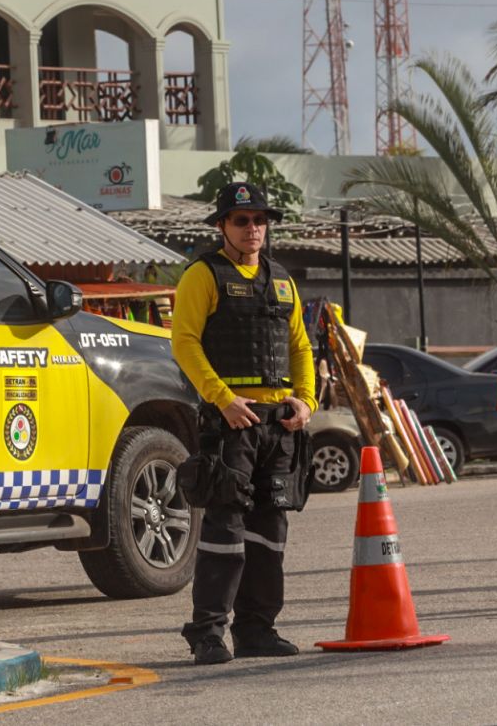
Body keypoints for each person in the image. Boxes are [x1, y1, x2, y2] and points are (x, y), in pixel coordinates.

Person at [172, 181, 316, 665]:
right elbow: (184, 342)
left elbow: (299, 346)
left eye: (259, 220)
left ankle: (257, 630)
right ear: (222, 226)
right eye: (241, 220)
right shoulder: (203, 275)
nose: (252, 228)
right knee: (225, 531)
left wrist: (306, 401)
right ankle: (208, 633)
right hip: (231, 423)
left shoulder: (282, 280)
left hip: (279, 426)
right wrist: (223, 399)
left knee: (269, 531)